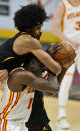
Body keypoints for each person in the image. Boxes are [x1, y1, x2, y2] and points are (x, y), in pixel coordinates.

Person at [0, 44, 75, 131]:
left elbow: (50, 91)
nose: (44, 68)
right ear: (32, 63)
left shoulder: (35, 73)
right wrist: (52, 64)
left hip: (23, 124)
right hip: (8, 125)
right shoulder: (22, 75)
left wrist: (65, 66)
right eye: (42, 64)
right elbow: (53, 87)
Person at [51, 0, 80, 129]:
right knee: (67, 80)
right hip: (68, 49)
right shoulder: (63, 5)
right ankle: (61, 116)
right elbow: (54, 29)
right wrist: (70, 41)